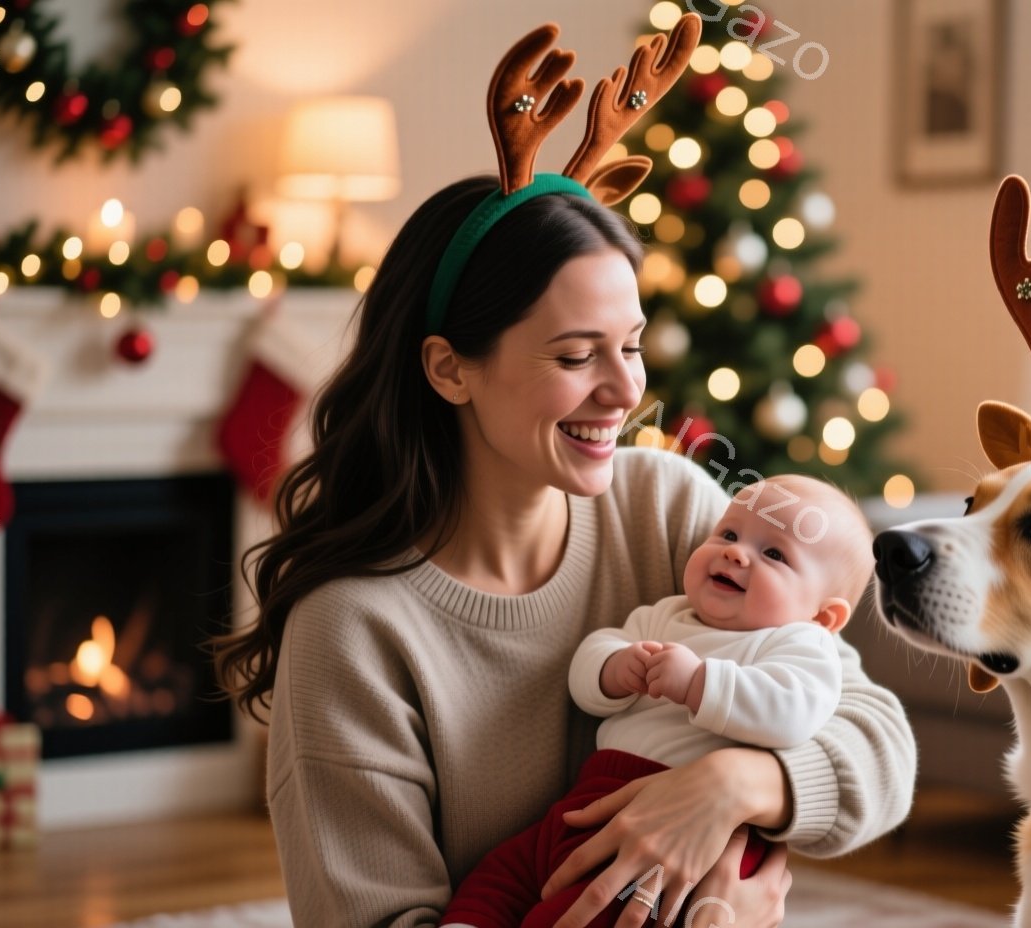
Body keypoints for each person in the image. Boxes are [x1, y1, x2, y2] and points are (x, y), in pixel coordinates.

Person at [212, 173, 917, 928]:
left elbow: (879, 744)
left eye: (632, 346)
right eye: (578, 356)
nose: (625, 390)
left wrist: (731, 787)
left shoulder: (668, 508)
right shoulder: (352, 629)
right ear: (450, 368)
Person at [441, 475, 875, 927]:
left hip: (694, 832)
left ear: (824, 616)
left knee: (589, 910)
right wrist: (613, 669)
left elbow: (794, 712)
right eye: (728, 533)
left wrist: (699, 683)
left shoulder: (801, 644)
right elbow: (595, 658)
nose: (735, 552)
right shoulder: (665, 614)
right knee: (507, 873)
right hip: (594, 797)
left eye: (774, 554)